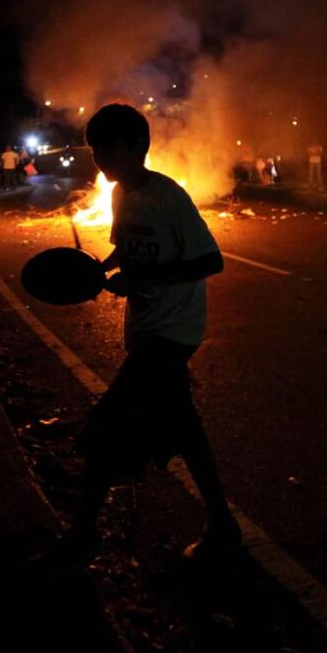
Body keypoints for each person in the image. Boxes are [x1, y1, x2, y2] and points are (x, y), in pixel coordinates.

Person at [30, 103, 239, 575]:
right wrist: (94, 272)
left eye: (109, 150)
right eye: (96, 152)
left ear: (138, 147)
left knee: (105, 433)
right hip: (145, 329)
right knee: (186, 430)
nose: (101, 161)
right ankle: (224, 526)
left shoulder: (169, 197)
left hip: (173, 332)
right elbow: (125, 246)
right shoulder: (120, 193)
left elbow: (210, 262)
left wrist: (146, 275)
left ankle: (83, 534)